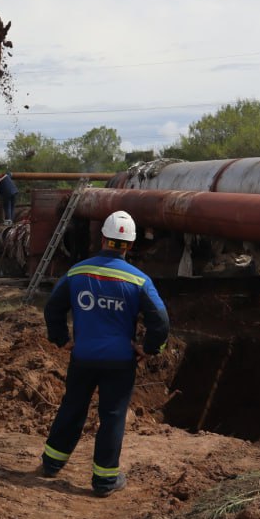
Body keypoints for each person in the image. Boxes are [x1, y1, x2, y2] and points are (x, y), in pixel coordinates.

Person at [38, 210, 169, 497]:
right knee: (111, 417)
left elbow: (52, 308)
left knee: (72, 408)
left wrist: (62, 339)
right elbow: (160, 320)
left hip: (83, 358)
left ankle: (51, 463)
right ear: (130, 245)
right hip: (120, 363)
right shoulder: (139, 281)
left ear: (103, 239)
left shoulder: (77, 272)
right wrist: (148, 349)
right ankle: (104, 481)